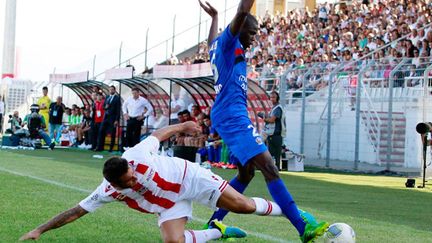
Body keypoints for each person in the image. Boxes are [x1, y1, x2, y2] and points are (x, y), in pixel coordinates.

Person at [20, 121, 295, 242]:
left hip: (190, 177)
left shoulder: (135, 155)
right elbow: (75, 212)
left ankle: (295, 214)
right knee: (173, 242)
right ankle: (220, 233)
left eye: (132, 174)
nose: (135, 179)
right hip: (167, 205)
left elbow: (160, 134)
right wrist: (39, 230)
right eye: (129, 181)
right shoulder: (107, 191)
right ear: (116, 186)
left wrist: (183, 127)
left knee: (243, 206)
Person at [200, 0, 328, 242]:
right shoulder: (229, 42)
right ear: (240, 28)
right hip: (232, 114)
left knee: (246, 174)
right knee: (270, 168)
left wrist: (214, 17)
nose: (254, 38)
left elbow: (210, 41)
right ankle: (302, 228)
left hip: (229, 113)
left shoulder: (218, 46)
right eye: (252, 32)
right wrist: (227, 18)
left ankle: (214, 222)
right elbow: (242, 11)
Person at [259, 91, 284, 169]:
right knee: (271, 153)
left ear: (277, 98)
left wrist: (264, 118)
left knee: (275, 154)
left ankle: (276, 169)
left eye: (274, 97)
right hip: (272, 134)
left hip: (276, 134)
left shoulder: (277, 108)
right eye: (271, 97)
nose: (272, 99)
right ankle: (272, 168)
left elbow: (272, 120)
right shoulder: (274, 108)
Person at [95, 86, 121, 152]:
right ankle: (100, 147)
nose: (111, 91)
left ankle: (111, 148)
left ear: (114, 90)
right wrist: (105, 107)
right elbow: (104, 106)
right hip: (106, 117)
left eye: (112, 89)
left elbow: (118, 110)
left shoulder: (117, 98)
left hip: (113, 118)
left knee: (112, 132)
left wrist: (116, 120)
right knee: (101, 131)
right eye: (110, 90)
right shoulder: (107, 97)